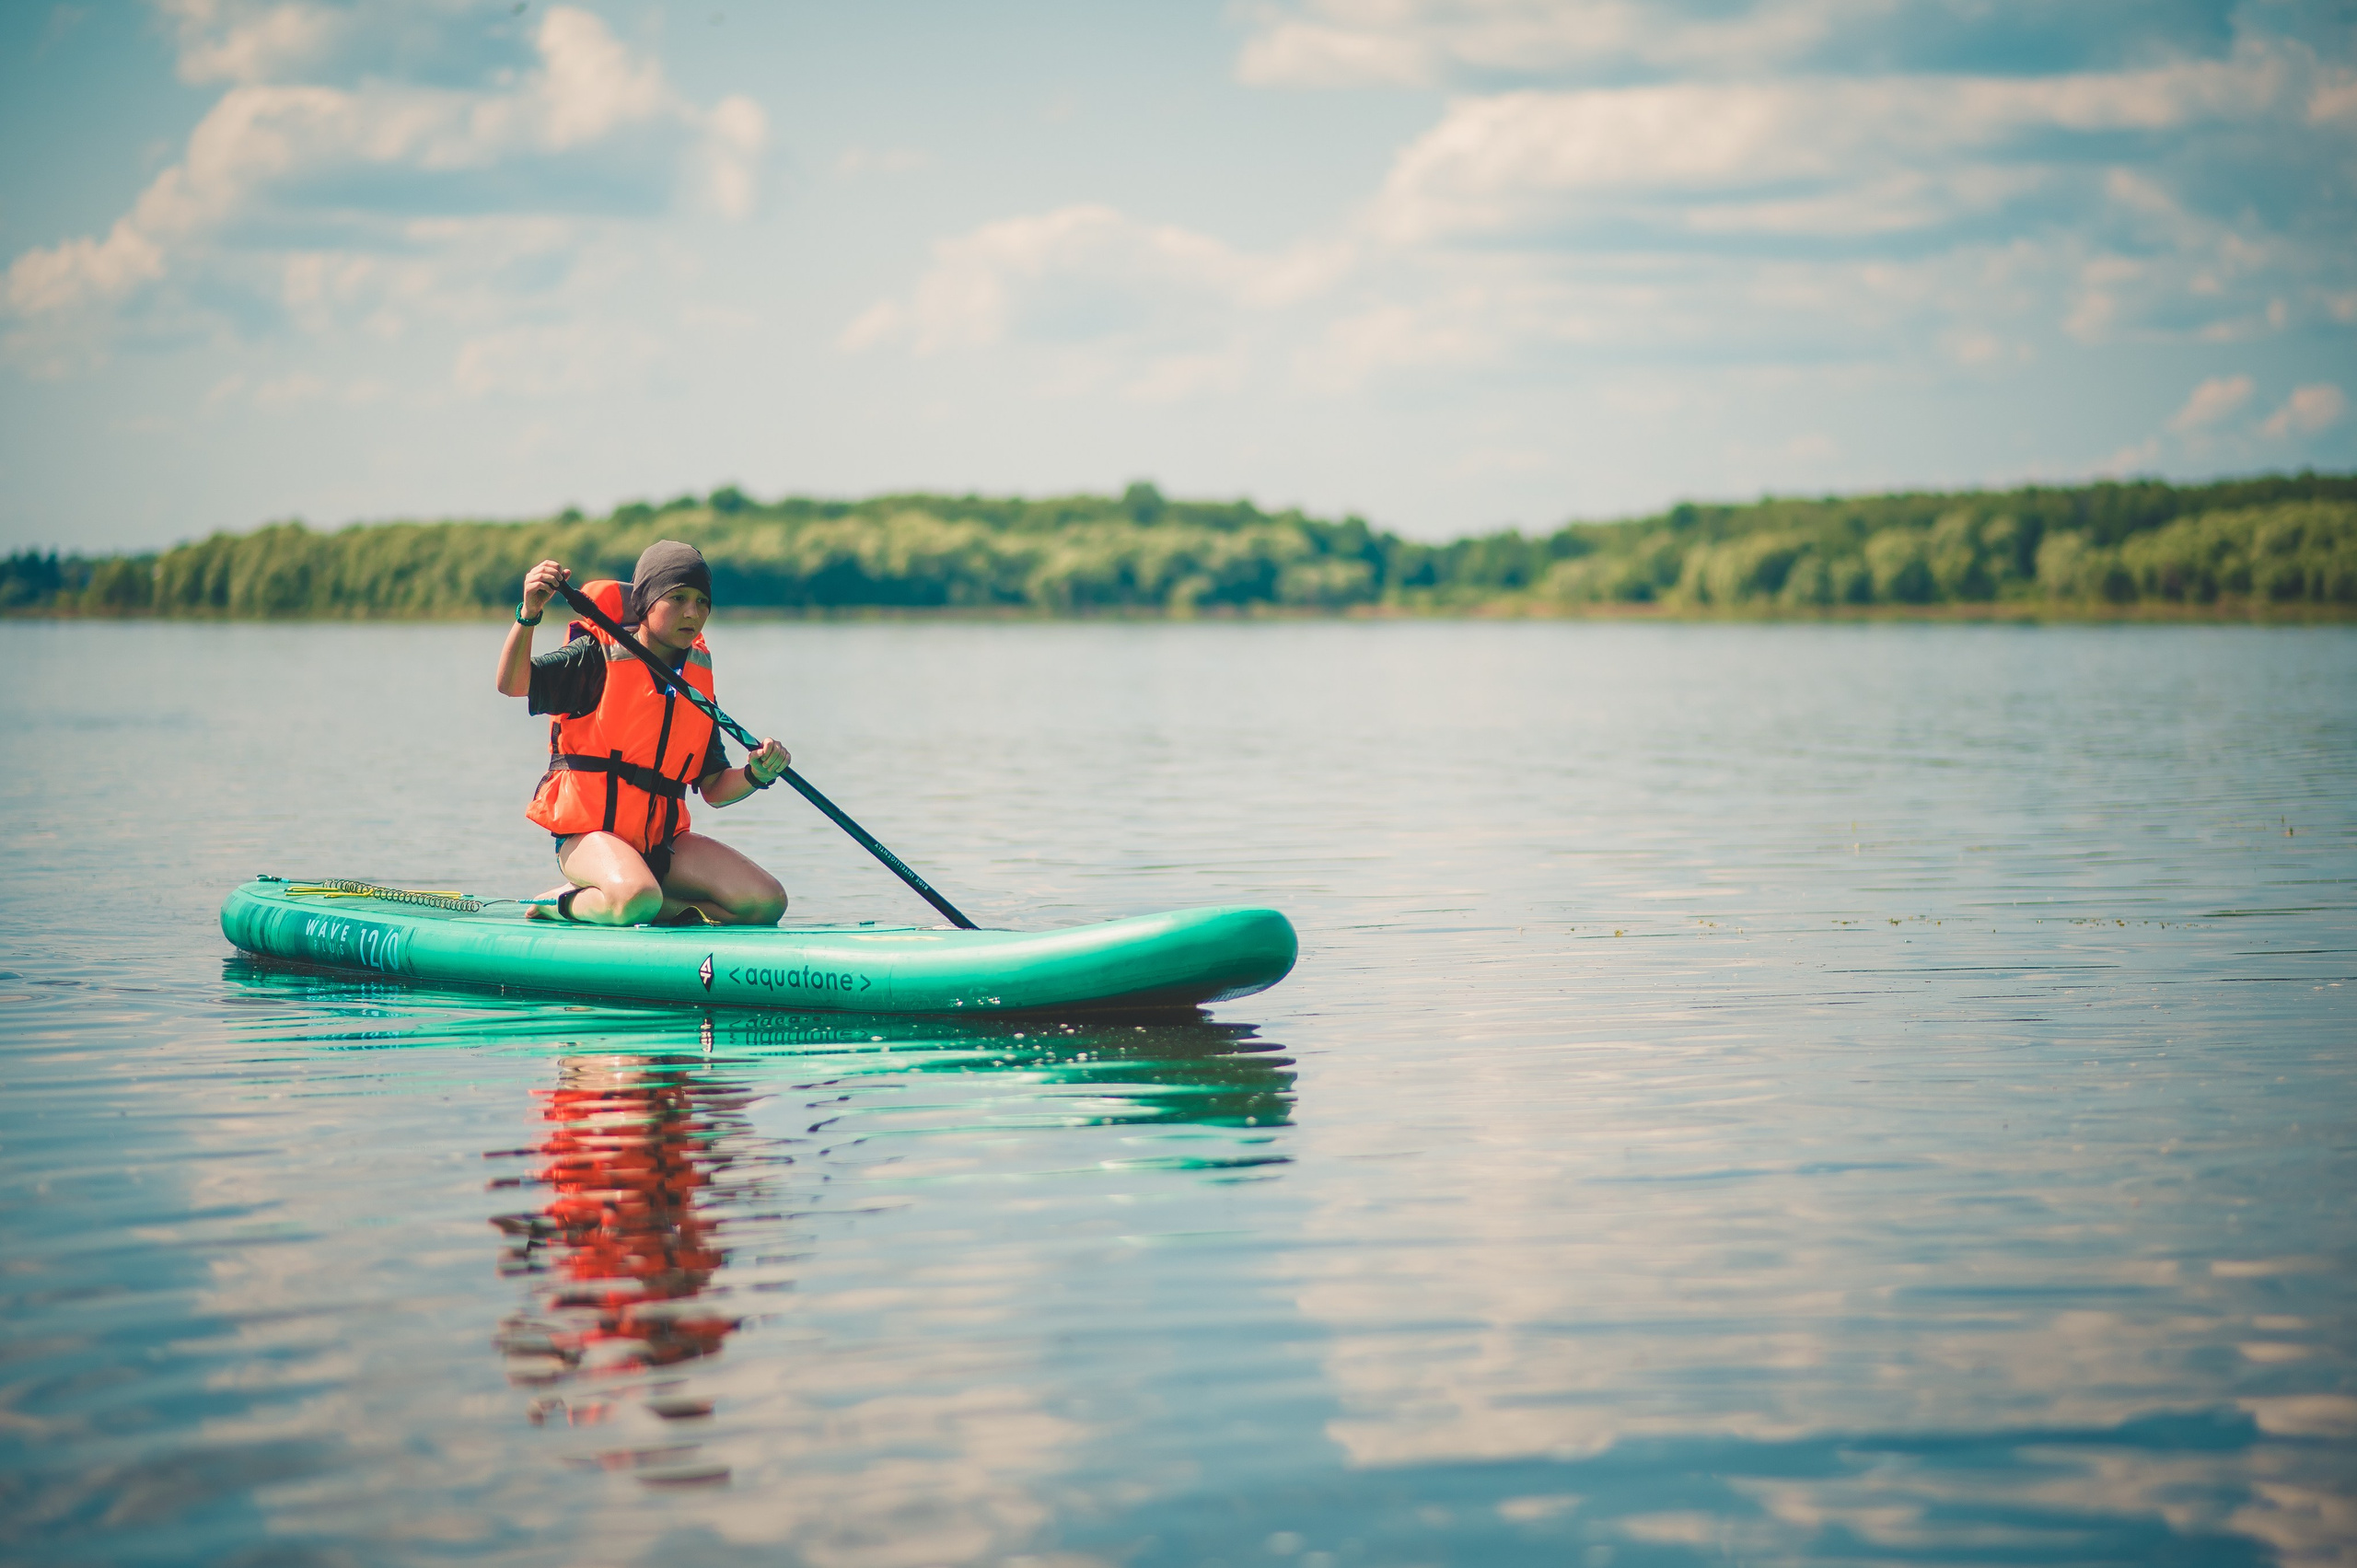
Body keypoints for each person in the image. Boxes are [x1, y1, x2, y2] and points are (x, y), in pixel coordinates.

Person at [495, 540, 791, 926]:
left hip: (662, 847)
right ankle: (564, 902)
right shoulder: (594, 656)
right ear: (645, 603)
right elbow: (512, 684)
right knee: (637, 897)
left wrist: (757, 774)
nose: (693, 612)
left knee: (765, 903)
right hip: (587, 839)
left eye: (703, 601)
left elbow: (715, 787)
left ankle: (643, 900)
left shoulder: (695, 683)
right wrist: (529, 613)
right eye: (678, 597)